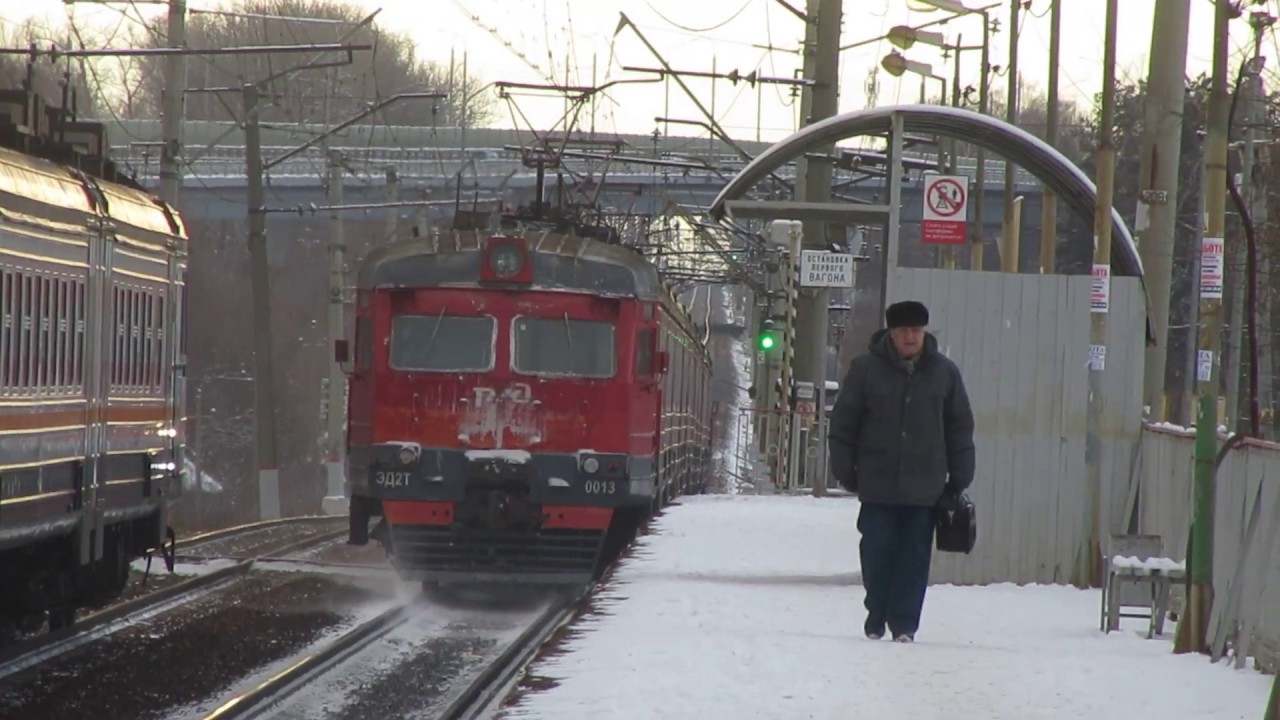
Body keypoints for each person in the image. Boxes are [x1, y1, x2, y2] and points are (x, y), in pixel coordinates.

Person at [827, 300, 975, 643]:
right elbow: (844, 424)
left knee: (914, 557)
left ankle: (904, 624)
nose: (911, 337)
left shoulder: (944, 373)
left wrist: (960, 474)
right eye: (904, 331)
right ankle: (877, 610)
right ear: (891, 334)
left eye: (916, 331)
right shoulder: (865, 370)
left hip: (925, 487)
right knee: (877, 550)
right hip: (877, 483)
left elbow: (959, 427)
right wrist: (845, 468)